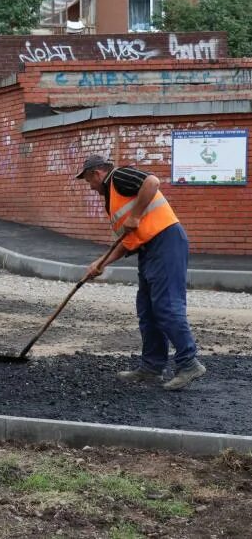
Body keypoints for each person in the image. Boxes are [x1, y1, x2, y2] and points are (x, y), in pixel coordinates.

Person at [76, 155, 206, 390]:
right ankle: (152, 368)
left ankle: (189, 364)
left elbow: (152, 182)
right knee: (147, 311)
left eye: (89, 181)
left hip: (166, 242)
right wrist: (101, 263)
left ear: (97, 173)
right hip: (149, 249)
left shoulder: (119, 176)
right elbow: (127, 241)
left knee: (166, 306)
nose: (91, 187)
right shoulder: (113, 199)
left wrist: (135, 215)